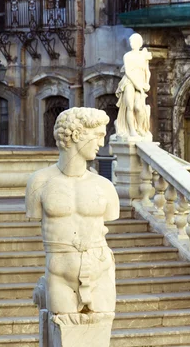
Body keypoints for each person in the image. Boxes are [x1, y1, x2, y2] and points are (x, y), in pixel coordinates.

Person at [26, 107, 120, 314]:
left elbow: (111, 216)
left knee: (99, 334)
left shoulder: (104, 187)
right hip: (60, 275)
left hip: (100, 270)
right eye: (98, 136)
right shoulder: (40, 182)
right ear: (77, 135)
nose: (102, 144)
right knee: (64, 334)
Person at [115, 33, 152, 140]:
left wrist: (147, 83)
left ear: (139, 43)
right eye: (130, 42)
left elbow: (147, 71)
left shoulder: (144, 56)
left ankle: (140, 128)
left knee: (139, 107)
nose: (131, 44)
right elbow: (128, 72)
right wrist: (137, 85)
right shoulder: (127, 56)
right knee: (130, 106)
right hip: (129, 82)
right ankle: (131, 130)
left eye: (134, 42)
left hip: (140, 82)